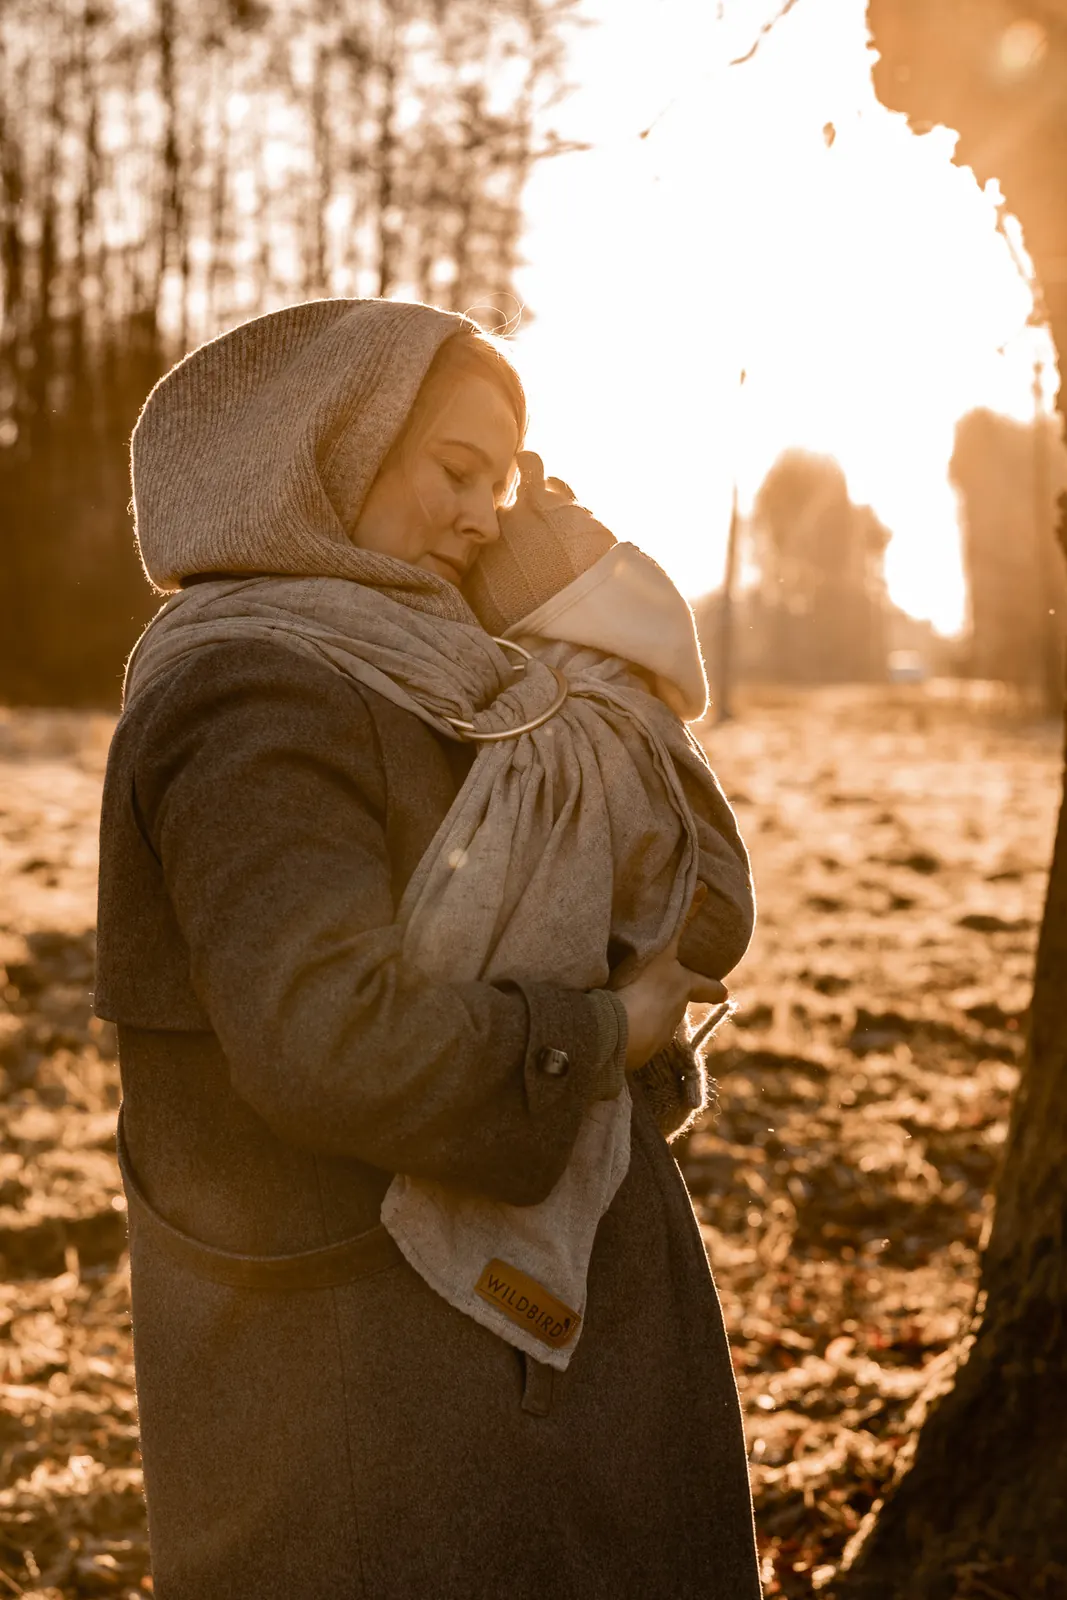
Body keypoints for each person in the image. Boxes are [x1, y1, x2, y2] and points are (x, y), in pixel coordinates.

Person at [95, 297, 762, 1599]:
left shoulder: (488, 677)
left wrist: (588, 617)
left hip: (529, 1320)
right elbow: (329, 1042)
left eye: (506, 487)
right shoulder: (249, 689)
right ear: (327, 451)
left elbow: (701, 910)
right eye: (457, 472)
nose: (484, 517)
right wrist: (603, 1034)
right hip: (356, 1362)